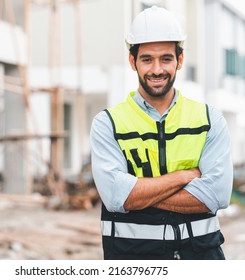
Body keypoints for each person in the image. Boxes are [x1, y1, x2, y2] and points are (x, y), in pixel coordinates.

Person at [90, 5, 233, 260]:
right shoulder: (108, 123)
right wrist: (184, 177)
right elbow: (114, 197)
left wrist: (136, 194)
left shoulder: (209, 120)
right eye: (147, 59)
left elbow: (216, 195)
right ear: (133, 61)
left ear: (180, 60)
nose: (157, 69)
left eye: (166, 58)